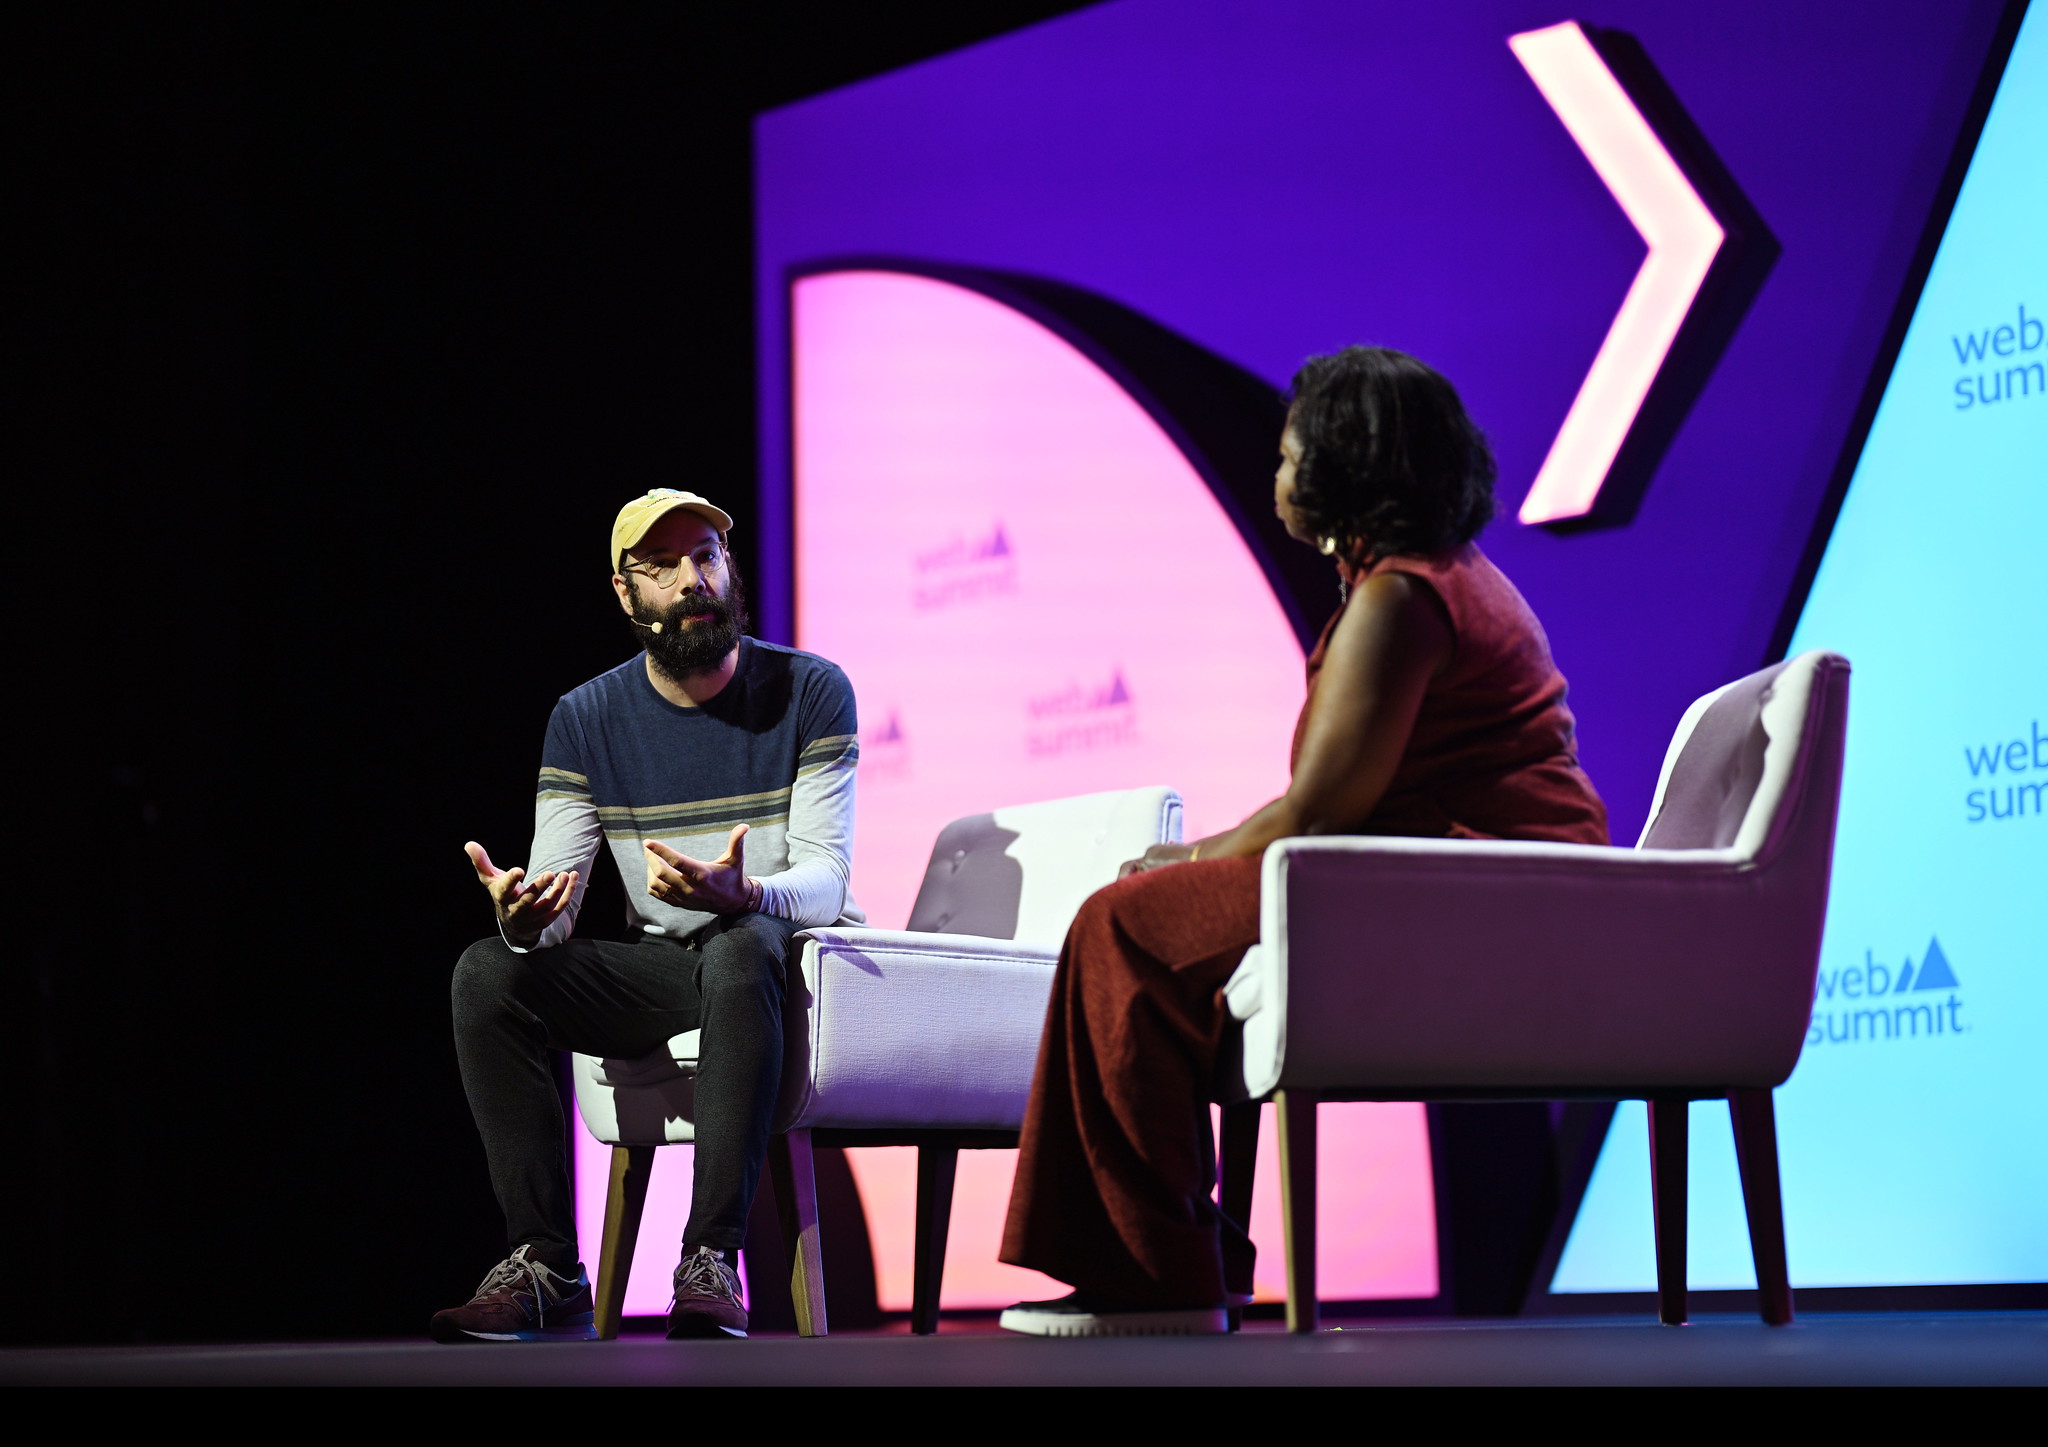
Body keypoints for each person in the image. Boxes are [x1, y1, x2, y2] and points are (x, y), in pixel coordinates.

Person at [996, 346, 1609, 1336]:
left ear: (1343, 466)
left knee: (1123, 923)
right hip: (1441, 870)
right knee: (1139, 925)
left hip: (1471, 885)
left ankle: (1158, 1276)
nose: (1274, 477)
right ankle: (1181, 1252)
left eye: (1288, 456)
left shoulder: (1400, 598)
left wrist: (1185, 858)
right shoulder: (1429, 580)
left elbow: (1317, 811)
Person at [432, 490, 862, 1343]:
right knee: (488, 968)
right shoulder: (587, 719)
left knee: (741, 951)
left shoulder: (811, 690)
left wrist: (750, 894)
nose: (691, 579)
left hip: (789, 956)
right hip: (670, 968)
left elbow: (829, 875)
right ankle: (547, 1262)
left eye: (705, 555)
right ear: (627, 596)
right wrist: (525, 917)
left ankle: (711, 1259)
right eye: (661, 566)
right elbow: (553, 906)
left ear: (730, 569)